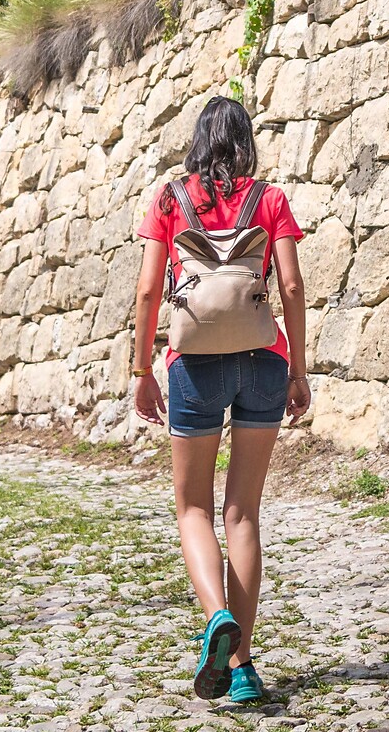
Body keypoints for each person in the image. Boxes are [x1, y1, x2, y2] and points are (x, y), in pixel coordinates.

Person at [131, 95, 311, 706]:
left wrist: (141, 368)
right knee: (243, 513)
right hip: (265, 359)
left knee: (191, 509)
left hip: (194, 365)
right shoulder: (270, 197)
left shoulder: (170, 199)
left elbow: (151, 287)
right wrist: (300, 369)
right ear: (246, 141)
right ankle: (241, 668)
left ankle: (214, 619)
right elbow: (289, 284)